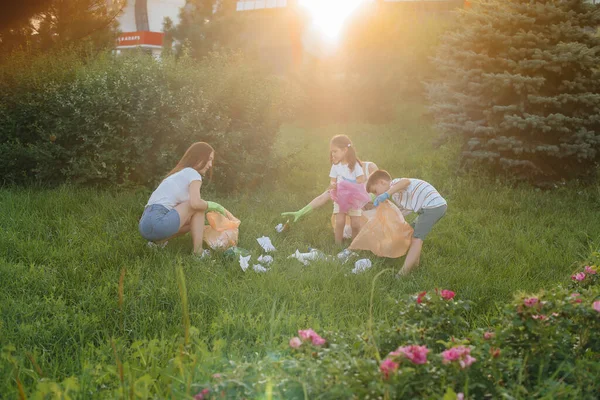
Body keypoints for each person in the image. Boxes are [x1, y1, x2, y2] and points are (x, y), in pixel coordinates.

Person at [138, 142, 226, 257]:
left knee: (192, 222)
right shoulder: (193, 173)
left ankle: (157, 243)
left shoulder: (179, 174)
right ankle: (198, 253)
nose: (210, 165)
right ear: (199, 158)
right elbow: (195, 203)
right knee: (198, 207)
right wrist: (213, 206)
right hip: (158, 221)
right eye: (209, 159)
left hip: (145, 224)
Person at [367, 170, 447, 276]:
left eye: (375, 191)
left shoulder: (395, 184)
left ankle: (403, 273)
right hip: (428, 209)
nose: (377, 195)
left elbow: (406, 182)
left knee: (417, 238)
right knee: (411, 232)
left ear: (382, 182)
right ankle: (415, 265)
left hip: (433, 206)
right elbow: (402, 211)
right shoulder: (396, 196)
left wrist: (387, 194)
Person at [281, 160, 378, 238]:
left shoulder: (369, 168)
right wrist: (301, 212)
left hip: (376, 208)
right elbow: (324, 196)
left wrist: (362, 197)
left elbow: (380, 189)